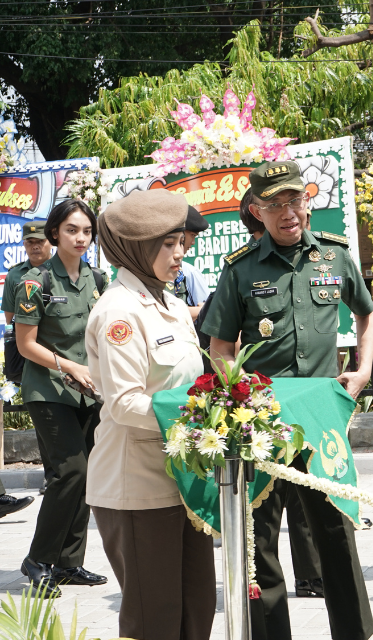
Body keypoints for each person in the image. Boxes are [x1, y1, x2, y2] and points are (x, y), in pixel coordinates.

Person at [202, 160, 373, 640]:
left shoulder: (336, 256)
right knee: (260, 540)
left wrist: (362, 371)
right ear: (257, 211)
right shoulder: (240, 270)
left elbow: (368, 315)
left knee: (336, 532)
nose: (288, 213)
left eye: (295, 200)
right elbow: (220, 348)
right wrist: (237, 396)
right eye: (275, 204)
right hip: (264, 421)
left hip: (321, 418)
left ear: (308, 201)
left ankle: (354, 633)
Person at [85, 189, 215, 640]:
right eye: (168, 244)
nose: (180, 254)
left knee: (198, 606)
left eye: (182, 242)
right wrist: (200, 420)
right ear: (138, 247)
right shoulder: (118, 311)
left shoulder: (171, 303)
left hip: (182, 475)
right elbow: (124, 403)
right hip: (137, 485)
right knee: (154, 618)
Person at [14, 199, 108, 598]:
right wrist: (70, 367)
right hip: (48, 389)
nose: (80, 237)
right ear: (55, 233)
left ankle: (69, 563)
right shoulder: (35, 282)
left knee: (89, 475)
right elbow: (25, 345)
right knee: (69, 471)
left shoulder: (99, 280)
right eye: (72, 230)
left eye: (86, 230)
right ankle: (38, 560)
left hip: (89, 392)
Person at [3, 221, 55, 494]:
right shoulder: (15, 275)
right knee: (44, 419)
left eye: (40, 242)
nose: (35, 246)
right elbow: (12, 320)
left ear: (50, 242)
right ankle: (52, 476)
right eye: (29, 242)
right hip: (32, 354)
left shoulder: (61, 270)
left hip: (63, 354)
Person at [169, 206, 211, 319]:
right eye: (192, 235)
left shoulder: (188, 271)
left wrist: (202, 310)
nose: (192, 242)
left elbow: (207, 310)